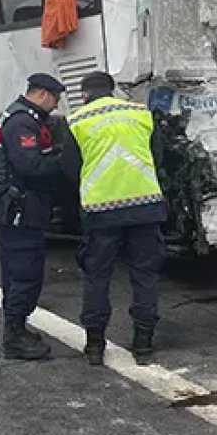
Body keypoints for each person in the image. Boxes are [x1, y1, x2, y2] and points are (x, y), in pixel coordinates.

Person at [64, 71, 168, 366]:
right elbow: (157, 157)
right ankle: (144, 344)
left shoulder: (77, 121)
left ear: (84, 94)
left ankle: (95, 345)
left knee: (97, 277)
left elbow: (70, 168)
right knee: (145, 275)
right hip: (146, 206)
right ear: (112, 91)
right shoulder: (141, 114)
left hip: (100, 211)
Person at [0, 73, 67, 360]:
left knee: (17, 272)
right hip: (19, 209)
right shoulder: (21, 123)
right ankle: (14, 336)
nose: (56, 105)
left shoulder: (23, 117)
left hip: (18, 207)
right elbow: (30, 165)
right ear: (42, 94)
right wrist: (63, 161)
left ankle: (17, 328)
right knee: (25, 274)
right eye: (55, 98)